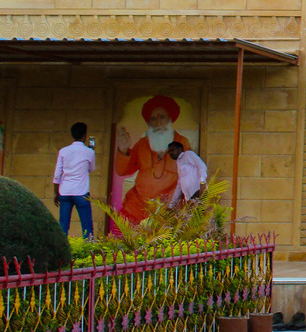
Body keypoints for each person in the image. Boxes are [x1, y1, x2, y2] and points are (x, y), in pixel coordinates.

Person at [114, 94, 191, 223]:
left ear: (170, 119)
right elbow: (123, 171)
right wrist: (123, 149)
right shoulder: (142, 144)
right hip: (137, 208)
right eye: (153, 119)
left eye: (162, 117)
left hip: (167, 211)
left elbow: (190, 174)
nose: (158, 123)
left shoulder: (182, 143)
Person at [52, 122, 96, 238]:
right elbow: (91, 169)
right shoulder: (89, 152)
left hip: (65, 191)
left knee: (63, 225)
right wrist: (91, 151)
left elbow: (57, 175)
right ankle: (88, 247)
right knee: (87, 225)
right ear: (85, 135)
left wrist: (56, 193)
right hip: (81, 192)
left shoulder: (63, 151)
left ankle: (62, 247)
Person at [166, 142, 208, 208]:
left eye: (172, 150)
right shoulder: (179, 162)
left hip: (199, 195)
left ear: (180, 149)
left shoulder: (188, 154)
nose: (170, 153)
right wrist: (171, 205)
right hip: (190, 200)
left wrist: (202, 182)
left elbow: (201, 165)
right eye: (169, 152)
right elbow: (179, 185)